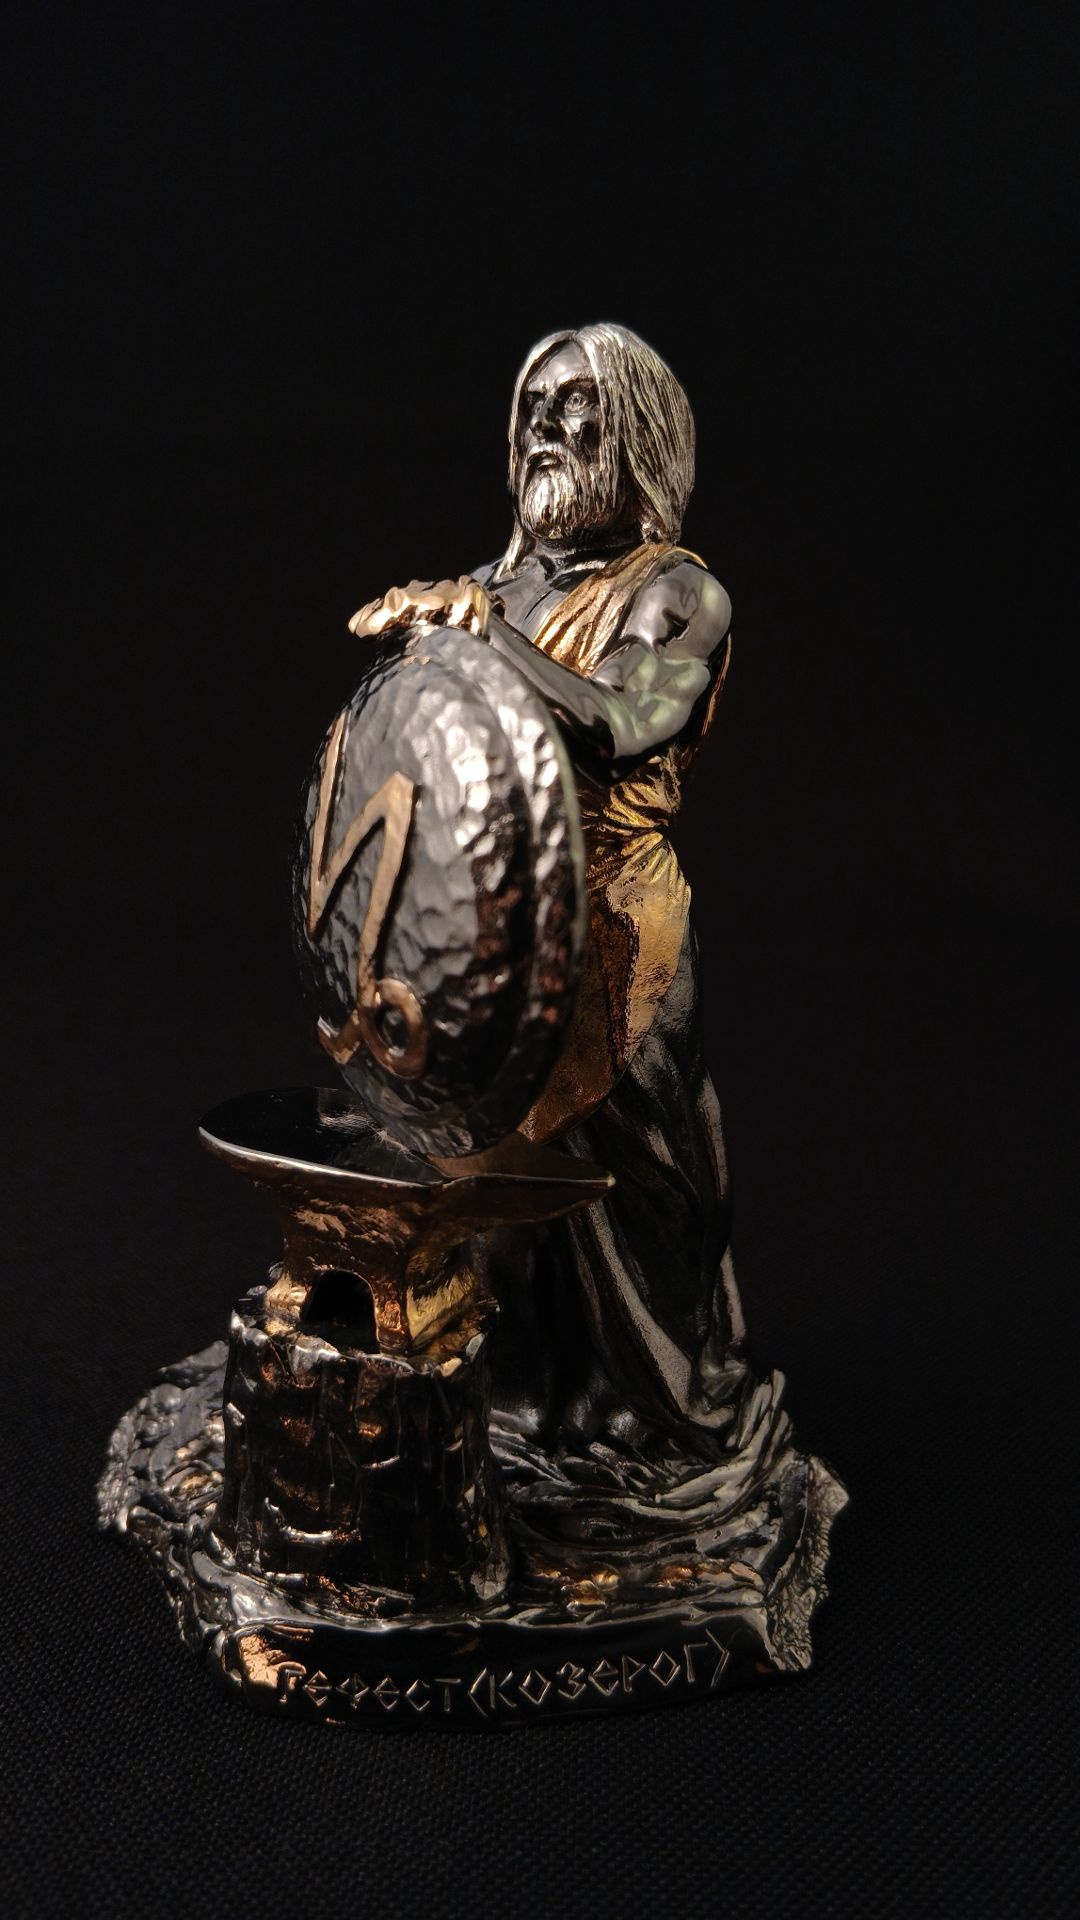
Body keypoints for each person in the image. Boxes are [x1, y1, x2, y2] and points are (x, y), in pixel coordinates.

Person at [350, 325, 792, 1555]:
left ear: (637, 432)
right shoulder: (491, 587)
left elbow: (621, 723)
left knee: (637, 1189)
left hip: (616, 943)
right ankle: (521, 1415)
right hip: (492, 938)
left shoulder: (676, 593)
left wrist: (477, 636)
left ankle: (656, 1419)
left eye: (577, 404)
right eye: (532, 406)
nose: (546, 427)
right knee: (496, 1191)